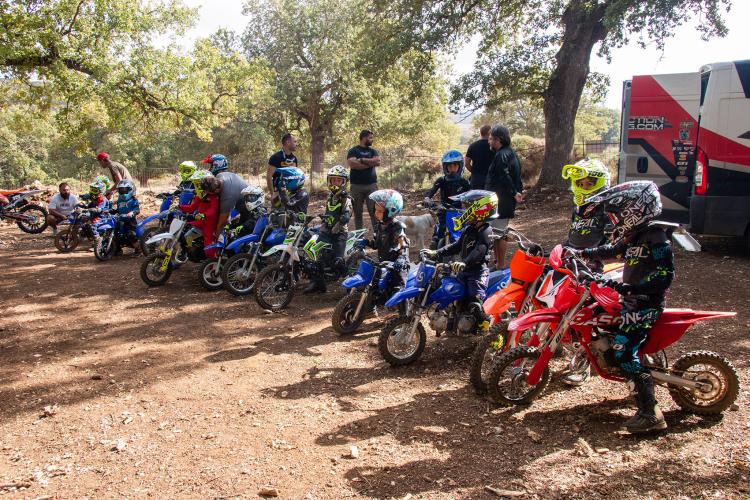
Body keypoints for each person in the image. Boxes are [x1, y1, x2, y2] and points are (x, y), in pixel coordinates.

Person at [575, 181, 673, 434]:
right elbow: (613, 250)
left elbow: (665, 275)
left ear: (636, 210)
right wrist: (583, 253)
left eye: (618, 213)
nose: (614, 219)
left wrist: (632, 288)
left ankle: (651, 414)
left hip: (645, 304)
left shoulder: (656, 237)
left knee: (624, 350)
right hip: (631, 301)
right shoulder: (635, 236)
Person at [559, 158, 612, 387]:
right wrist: (563, 249)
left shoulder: (605, 207)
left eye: (588, 183)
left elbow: (612, 240)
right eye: (579, 183)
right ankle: (555, 342)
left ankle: (585, 361)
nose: (583, 186)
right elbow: (573, 235)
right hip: (572, 262)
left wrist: (596, 254)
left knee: (586, 312)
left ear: (600, 182)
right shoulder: (579, 208)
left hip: (593, 266)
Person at [421, 190, 498, 335]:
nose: (465, 210)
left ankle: (488, 331)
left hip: (477, 273)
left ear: (480, 209)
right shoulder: (470, 228)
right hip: (463, 271)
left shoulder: (486, 231)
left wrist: (465, 262)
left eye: (468, 207)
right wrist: (437, 252)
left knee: (475, 303)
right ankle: (453, 324)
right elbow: (456, 246)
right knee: (453, 295)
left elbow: (479, 251)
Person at [304, 165, 352, 294]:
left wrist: (338, 225)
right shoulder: (330, 196)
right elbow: (328, 212)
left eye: (338, 180)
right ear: (329, 181)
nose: (335, 183)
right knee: (315, 255)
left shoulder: (346, 198)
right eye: (333, 180)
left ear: (344, 182)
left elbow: (347, 216)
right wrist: (324, 220)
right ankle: (317, 283)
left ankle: (351, 281)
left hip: (340, 232)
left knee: (338, 260)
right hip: (326, 231)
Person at [485, 125, 524, 269]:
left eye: (491, 139)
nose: (489, 142)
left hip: (502, 200)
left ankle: (501, 266)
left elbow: (505, 176)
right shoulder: (508, 153)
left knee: (499, 233)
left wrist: (514, 193)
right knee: (495, 233)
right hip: (501, 199)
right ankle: (497, 263)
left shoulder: (502, 155)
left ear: (498, 139)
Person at [424, 150, 471, 249]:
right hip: (443, 208)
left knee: (464, 232)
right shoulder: (442, 180)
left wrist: (472, 202)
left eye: (455, 166)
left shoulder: (463, 182)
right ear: (445, 167)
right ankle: (435, 242)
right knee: (439, 229)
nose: (452, 168)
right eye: (449, 166)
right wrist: (427, 198)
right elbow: (432, 190)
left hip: (458, 210)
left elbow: (470, 194)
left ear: (460, 166)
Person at [364, 189, 410, 285]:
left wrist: (402, 257)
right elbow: (377, 244)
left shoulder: (397, 226)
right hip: (384, 263)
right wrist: (366, 242)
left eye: (380, 211)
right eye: (375, 210)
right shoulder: (380, 225)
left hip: (397, 266)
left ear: (391, 211)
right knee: (376, 286)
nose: (376, 213)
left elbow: (404, 245)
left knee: (397, 287)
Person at [347, 130, 381, 230]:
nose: (372, 140)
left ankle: (377, 234)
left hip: (372, 186)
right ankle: (359, 236)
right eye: (370, 138)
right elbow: (352, 164)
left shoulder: (373, 151)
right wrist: (370, 164)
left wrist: (362, 160)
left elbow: (378, 162)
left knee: (374, 211)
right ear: (364, 138)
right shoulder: (353, 151)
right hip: (356, 186)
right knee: (357, 212)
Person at [201, 169, 249, 238]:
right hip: (242, 190)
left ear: (216, 190)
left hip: (248, 204)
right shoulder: (219, 175)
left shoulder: (227, 196)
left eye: (208, 192)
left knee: (242, 231)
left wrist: (216, 236)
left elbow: (222, 222)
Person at [183, 170, 220, 258]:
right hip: (201, 222)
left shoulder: (213, 197)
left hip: (210, 224)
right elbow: (192, 207)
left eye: (199, 184)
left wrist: (204, 215)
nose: (198, 186)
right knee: (186, 234)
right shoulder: (200, 196)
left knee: (208, 246)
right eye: (196, 184)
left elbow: (213, 210)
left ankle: (211, 263)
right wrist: (179, 207)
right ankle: (189, 253)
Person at [110, 179, 141, 254]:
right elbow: (118, 210)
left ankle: (138, 249)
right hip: (120, 220)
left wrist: (132, 212)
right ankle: (117, 249)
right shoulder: (119, 200)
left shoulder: (133, 200)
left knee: (131, 234)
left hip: (130, 221)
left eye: (125, 190)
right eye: (121, 190)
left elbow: (137, 210)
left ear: (131, 190)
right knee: (114, 232)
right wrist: (110, 211)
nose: (123, 192)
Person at [266, 134, 298, 200]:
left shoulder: (294, 159)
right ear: (288, 142)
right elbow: (269, 176)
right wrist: (272, 194)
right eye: (294, 141)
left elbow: (296, 176)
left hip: (292, 194)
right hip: (278, 194)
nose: (296, 144)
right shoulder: (275, 157)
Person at [465, 125, 494, 189]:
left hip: (476, 179)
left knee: (476, 195)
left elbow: (466, 163)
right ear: (490, 133)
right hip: (491, 179)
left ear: (480, 133)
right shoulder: (493, 146)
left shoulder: (472, 146)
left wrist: (474, 172)